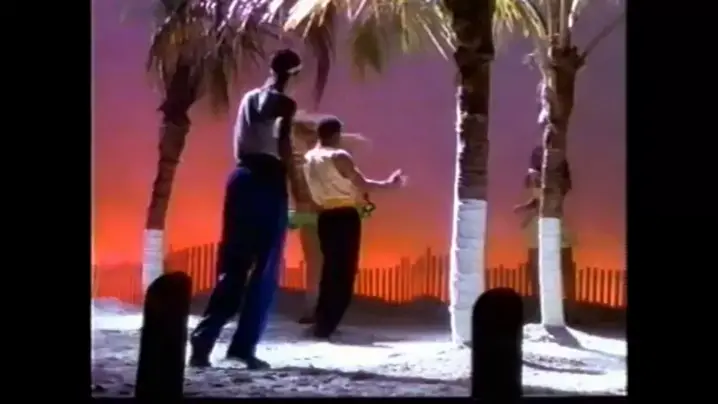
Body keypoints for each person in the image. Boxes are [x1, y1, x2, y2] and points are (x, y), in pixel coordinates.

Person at [189, 49, 302, 369]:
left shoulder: (249, 98)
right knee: (265, 268)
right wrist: (298, 186)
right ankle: (242, 346)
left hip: (241, 177)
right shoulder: (281, 102)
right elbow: (283, 142)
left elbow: (265, 108)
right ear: (294, 73)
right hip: (267, 179)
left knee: (234, 264)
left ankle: (204, 339)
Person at [302, 116, 406, 340]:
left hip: (325, 216)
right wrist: (390, 185)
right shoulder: (338, 156)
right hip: (344, 216)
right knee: (344, 272)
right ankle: (328, 325)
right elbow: (363, 184)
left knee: (330, 270)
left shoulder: (309, 158)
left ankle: (322, 321)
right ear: (336, 134)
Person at [285, 114, 374, 325]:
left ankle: (317, 310)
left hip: (317, 213)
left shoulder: (308, 159)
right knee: (326, 264)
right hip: (319, 213)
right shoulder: (317, 158)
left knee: (322, 263)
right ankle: (319, 311)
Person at [513, 142, 576, 314]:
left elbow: (546, 199)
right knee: (539, 266)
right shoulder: (537, 176)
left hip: (552, 222)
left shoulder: (554, 179)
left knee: (563, 265)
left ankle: (568, 307)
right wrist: (526, 208)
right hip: (543, 224)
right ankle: (542, 306)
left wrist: (528, 212)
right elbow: (539, 199)